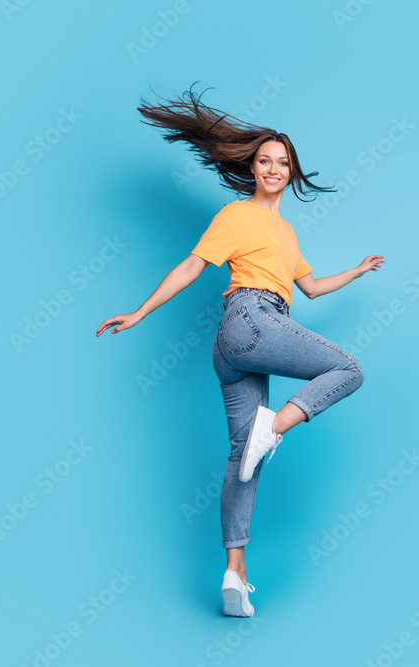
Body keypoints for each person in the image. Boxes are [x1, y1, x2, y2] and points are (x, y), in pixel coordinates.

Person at [96, 83, 384, 617]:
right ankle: (271, 429)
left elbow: (312, 288)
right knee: (348, 368)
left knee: (242, 460)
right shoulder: (236, 216)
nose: (273, 169)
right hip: (252, 319)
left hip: (236, 343)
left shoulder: (286, 232)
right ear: (252, 168)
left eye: (282, 163)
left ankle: (234, 574)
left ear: (292, 172)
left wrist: (359, 270)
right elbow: (191, 266)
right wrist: (138, 312)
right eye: (265, 161)